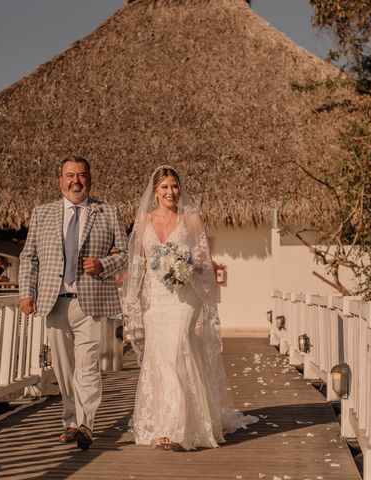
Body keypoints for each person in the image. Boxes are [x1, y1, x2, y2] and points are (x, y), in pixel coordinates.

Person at [122, 165, 258, 451]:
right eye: (164, 187)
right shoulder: (144, 220)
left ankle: (175, 429)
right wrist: (133, 300)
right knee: (160, 358)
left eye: (174, 186)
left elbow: (205, 263)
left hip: (185, 299)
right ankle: (165, 424)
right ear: (155, 192)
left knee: (178, 346)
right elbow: (137, 264)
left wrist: (184, 266)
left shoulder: (192, 220)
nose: (171, 192)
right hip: (155, 301)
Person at [19, 155, 128, 450]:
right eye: (69, 175)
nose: (75, 181)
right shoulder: (42, 213)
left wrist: (103, 264)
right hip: (54, 301)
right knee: (64, 370)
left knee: (88, 366)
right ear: (60, 179)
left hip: (90, 302)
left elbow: (126, 255)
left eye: (81, 175)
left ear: (89, 180)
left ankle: (85, 424)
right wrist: (27, 293)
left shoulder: (108, 211)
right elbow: (29, 257)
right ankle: (69, 420)